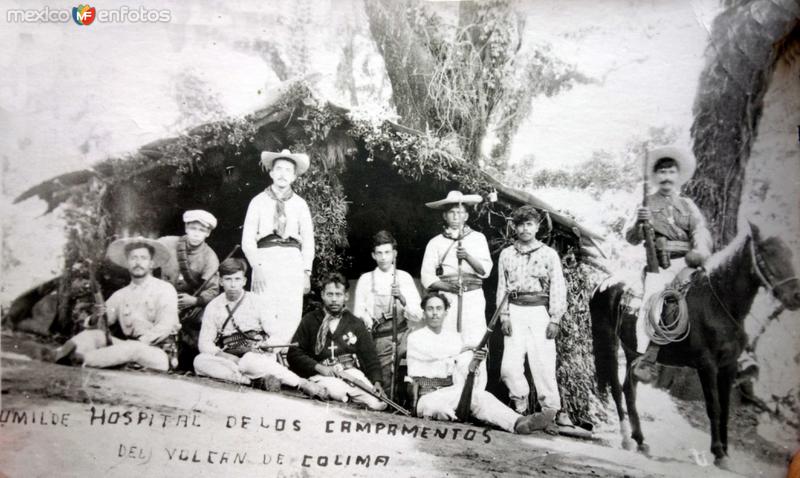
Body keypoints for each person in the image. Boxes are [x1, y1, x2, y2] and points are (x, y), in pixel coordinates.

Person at [407, 292, 555, 434]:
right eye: (430, 309)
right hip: (426, 396)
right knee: (438, 407)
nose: (434, 313)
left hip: (450, 391)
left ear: (446, 312)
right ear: (424, 312)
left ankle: (518, 422)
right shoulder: (415, 337)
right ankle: (454, 417)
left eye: (439, 309)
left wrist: (473, 363)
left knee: (481, 396)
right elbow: (437, 351)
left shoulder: (454, 338)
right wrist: (469, 347)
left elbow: (459, 366)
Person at [624, 146, 712, 382]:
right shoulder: (646, 205)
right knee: (653, 302)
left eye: (671, 172)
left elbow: (700, 230)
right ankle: (648, 356)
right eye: (661, 172)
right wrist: (638, 225)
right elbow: (631, 238)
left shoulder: (687, 205)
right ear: (655, 176)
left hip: (688, 263)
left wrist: (700, 251)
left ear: (677, 176)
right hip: (660, 266)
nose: (666, 177)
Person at [192, 258, 326, 398]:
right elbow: (204, 343)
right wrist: (224, 356)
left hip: (257, 356)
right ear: (220, 281)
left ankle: (300, 383)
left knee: (250, 361)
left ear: (244, 281)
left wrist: (268, 345)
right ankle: (250, 381)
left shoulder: (257, 302)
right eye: (228, 279)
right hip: (228, 359)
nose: (233, 285)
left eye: (237, 279)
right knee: (200, 361)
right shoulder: (214, 306)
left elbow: (277, 334)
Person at [51, 237, 180, 371]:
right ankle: (59, 353)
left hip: (158, 354)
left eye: (143, 258)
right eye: (133, 258)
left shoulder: (165, 289)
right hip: (128, 347)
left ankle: (82, 359)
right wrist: (96, 317)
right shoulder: (121, 294)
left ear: (151, 263)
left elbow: (165, 326)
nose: (138, 262)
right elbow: (103, 322)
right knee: (95, 335)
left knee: (133, 348)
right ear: (127, 263)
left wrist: (141, 342)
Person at [496, 205, 570, 426]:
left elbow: (558, 287)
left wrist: (555, 318)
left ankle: (550, 413)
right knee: (509, 367)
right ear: (514, 227)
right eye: (520, 224)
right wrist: (504, 316)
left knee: (543, 363)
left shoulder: (549, 254)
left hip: (539, 311)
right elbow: (502, 287)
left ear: (537, 227)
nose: (525, 229)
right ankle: (520, 406)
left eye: (529, 224)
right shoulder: (507, 254)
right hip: (515, 310)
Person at [242, 149, 314, 345]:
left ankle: (283, 357)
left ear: (294, 176)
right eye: (279, 169)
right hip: (265, 259)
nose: (283, 174)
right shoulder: (258, 201)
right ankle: (264, 356)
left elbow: (308, 241)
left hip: (292, 260)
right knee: (263, 307)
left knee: (289, 311)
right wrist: (256, 266)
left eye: (288, 170)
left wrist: (306, 271)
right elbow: (247, 239)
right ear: (271, 173)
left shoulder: (300, 205)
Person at [287, 273, 387, 411]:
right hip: (321, 374)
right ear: (322, 295)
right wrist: (319, 367)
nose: (334, 299)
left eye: (338, 294)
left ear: (346, 296)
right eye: (330, 294)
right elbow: (294, 353)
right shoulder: (310, 320)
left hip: (350, 373)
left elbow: (370, 357)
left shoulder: (356, 323)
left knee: (378, 403)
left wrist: (377, 382)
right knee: (338, 391)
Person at [420, 191, 493, 349]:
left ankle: (474, 373)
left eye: (459, 212)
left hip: (473, 297)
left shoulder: (478, 238)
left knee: (474, 340)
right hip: (447, 298)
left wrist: (467, 256)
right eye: (451, 212)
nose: (455, 216)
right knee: (447, 340)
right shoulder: (435, 242)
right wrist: (448, 288)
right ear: (444, 216)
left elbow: (485, 271)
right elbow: (427, 277)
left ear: (466, 216)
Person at [352, 230, 422, 392]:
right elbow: (357, 314)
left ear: (394, 254)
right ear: (373, 255)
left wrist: (402, 298)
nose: (383, 257)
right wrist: (368, 320)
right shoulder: (365, 280)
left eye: (387, 252)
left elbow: (418, 315)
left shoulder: (403, 278)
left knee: (409, 372)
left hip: (402, 337)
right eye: (379, 253)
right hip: (379, 340)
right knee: (382, 384)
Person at [157, 209, 220, 371]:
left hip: (187, 306)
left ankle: (184, 360)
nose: (196, 234)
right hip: (160, 300)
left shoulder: (210, 257)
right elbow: (146, 255)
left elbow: (213, 290)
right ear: (186, 228)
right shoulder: (166, 243)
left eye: (202, 230)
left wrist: (195, 300)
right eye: (193, 228)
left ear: (208, 234)